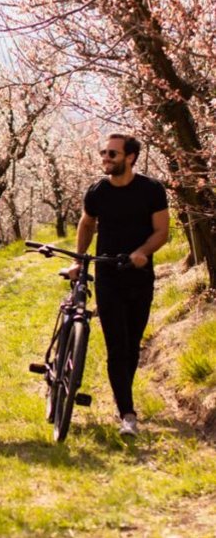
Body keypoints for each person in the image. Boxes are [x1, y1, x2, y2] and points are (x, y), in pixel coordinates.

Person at [69, 133, 169, 437]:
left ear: (130, 158)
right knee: (116, 345)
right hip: (108, 274)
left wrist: (142, 252)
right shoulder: (98, 191)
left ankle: (123, 396)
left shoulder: (151, 190)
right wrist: (79, 259)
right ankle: (127, 413)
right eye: (104, 153)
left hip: (139, 276)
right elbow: (87, 223)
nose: (106, 158)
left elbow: (162, 231)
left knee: (131, 345)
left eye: (112, 154)